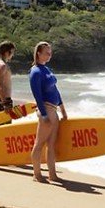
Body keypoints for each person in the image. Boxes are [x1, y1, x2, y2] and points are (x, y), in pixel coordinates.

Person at [29, 41, 67, 182]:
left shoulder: (47, 69)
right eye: (47, 52)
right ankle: (36, 174)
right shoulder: (35, 71)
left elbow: (55, 90)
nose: (49, 55)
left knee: (51, 145)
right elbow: (37, 95)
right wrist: (44, 115)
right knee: (39, 143)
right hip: (46, 109)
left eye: (50, 53)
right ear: (38, 53)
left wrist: (63, 109)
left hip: (54, 110)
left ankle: (52, 174)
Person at [0, 41, 16, 115]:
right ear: (7, 52)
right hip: (3, 100)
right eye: (12, 52)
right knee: (5, 125)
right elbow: (0, 84)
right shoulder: (3, 66)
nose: (12, 55)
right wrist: (5, 103)